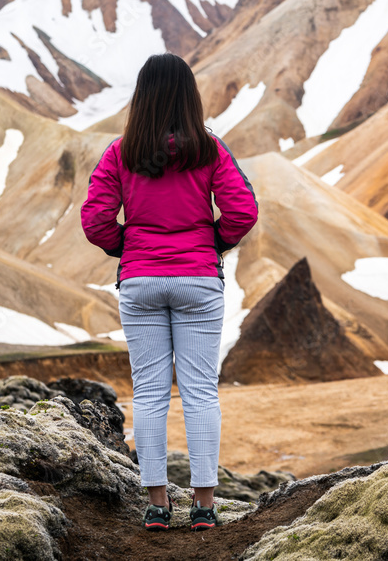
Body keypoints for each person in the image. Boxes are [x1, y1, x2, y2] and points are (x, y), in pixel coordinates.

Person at [81, 52, 258, 531]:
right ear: (190, 96)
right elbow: (243, 211)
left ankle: (157, 504)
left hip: (140, 281)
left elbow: (95, 221)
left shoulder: (121, 152)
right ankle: (203, 506)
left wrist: (133, 249)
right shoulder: (209, 149)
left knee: (150, 393)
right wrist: (209, 245)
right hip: (199, 279)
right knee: (201, 392)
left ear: (141, 98)